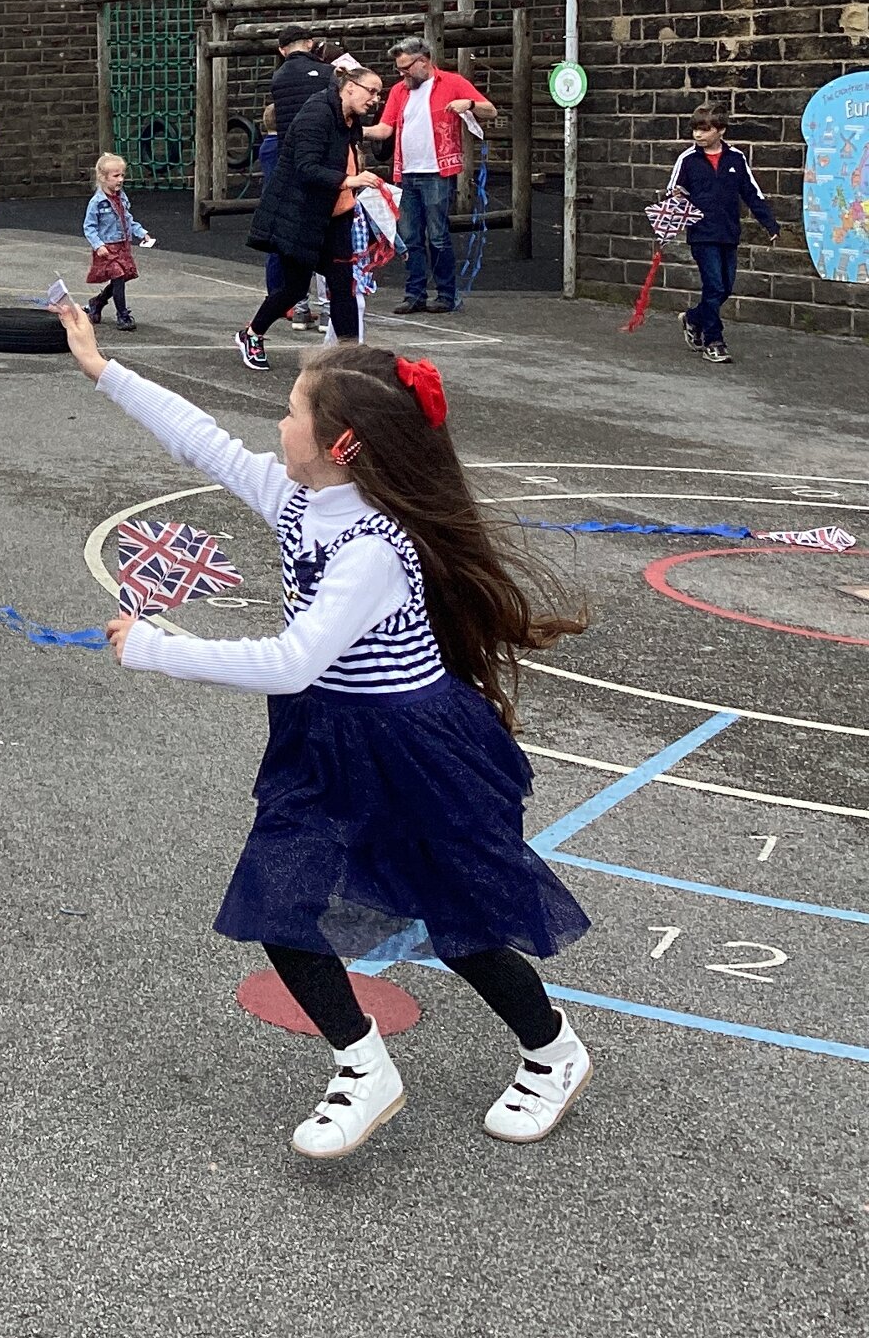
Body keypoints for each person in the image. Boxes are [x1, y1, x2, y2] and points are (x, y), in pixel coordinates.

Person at [57, 312, 593, 1158]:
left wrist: (159, 647)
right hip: (327, 741)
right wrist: (101, 368)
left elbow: (294, 659)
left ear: (340, 443)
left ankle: (553, 1050)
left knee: (458, 919)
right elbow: (204, 442)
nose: (277, 425)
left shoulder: (374, 545)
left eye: (293, 411)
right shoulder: (302, 499)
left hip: (410, 745)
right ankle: (361, 1064)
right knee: (279, 899)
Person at [238, 66, 385, 370]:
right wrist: (349, 181)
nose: (375, 99)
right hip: (301, 214)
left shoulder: (351, 119)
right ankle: (251, 334)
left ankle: (349, 359)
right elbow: (305, 167)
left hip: (336, 215)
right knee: (293, 289)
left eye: (379, 94)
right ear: (350, 87)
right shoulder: (317, 113)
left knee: (343, 287)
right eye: (372, 91)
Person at [368, 37, 498, 317]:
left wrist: (470, 104)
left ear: (423, 62)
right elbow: (385, 129)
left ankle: (445, 294)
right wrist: (357, 130)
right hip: (407, 172)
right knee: (410, 236)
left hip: (437, 171)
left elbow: (491, 110)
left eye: (405, 68)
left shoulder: (451, 82)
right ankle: (414, 293)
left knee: (437, 236)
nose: (401, 74)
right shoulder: (399, 91)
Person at [668, 104, 780, 365]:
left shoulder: (736, 158)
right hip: (701, 233)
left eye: (704, 129)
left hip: (729, 232)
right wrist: (675, 201)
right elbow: (673, 192)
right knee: (714, 285)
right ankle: (714, 341)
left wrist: (770, 224)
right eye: (695, 129)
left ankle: (693, 318)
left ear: (720, 130)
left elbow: (752, 193)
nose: (698, 135)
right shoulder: (687, 159)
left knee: (725, 288)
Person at [267, 28, 334, 329]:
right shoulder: (329, 72)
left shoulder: (279, 78)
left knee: (295, 237)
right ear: (309, 44)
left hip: (291, 161)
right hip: (325, 159)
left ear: (282, 50)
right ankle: (329, 307)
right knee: (328, 238)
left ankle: (301, 306)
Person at [83, 153, 155, 331]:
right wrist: (98, 245)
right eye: (116, 176)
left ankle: (97, 302)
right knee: (117, 276)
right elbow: (89, 227)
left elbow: (128, 220)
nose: (120, 179)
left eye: (122, 175)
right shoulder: (97, 202)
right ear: (103, 177)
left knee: (121, 278)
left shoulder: (122, 197)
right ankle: (122, 315)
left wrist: (142, 233)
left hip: (122, 245)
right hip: (107, 247)